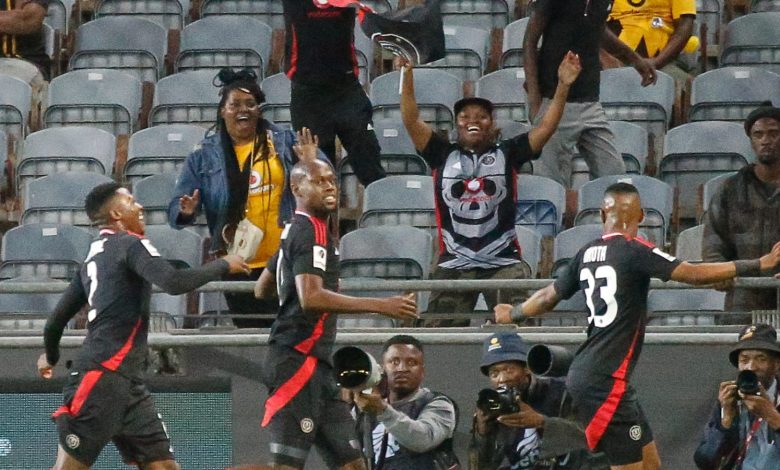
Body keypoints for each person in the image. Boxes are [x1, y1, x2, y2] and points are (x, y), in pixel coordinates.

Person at [494, 182, 780, 469]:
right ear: (641, 216)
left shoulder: (585, 253)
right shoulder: (635, 250)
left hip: (602, 377)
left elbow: (546, 297)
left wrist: (512, 313)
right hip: (605, 382)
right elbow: (692, 273)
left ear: (602, 214)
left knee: (649, 463)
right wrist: (759, 263)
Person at [36, 182, 248, 470]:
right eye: (131, 201)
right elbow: (173, 282)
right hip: (102, 377)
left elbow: (54, 323)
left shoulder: (91, 258)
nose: (140, 207)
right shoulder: (130, 244)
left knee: (165, 467)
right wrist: (223, 265)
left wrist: (50, 356)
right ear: (116, 214)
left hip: (127, 384)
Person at [250, 159, 418, 470]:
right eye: (319, 181)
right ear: (296, 189)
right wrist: (381, 305)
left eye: (332, 180)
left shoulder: (296, 229)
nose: (329, 186)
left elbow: (262, 289)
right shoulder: (308, 231)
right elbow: (311, 298)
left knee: (354, 465)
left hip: (319, 367)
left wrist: (311, 163)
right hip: (295, 363)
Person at [400, 52, 581, 327]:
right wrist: (407, 76)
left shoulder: (508, 153)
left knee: (519, 328)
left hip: (503, 261)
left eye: (482, 116)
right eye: (465, 116)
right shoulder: (440, 152)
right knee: (439, 338)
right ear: (456, 124)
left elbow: (546, 127)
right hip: (453, 264)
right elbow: (411, 120)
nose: (473, 120)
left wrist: (563, 85)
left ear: (492, 124)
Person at [168, 68, 327, 328]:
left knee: (294, 335)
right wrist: (187, 211)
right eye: (235, 105)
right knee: (253, 340)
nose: (244, 110)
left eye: (251, 104)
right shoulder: (202, 156)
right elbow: (175, 213)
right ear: (223, 111)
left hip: (286, 259)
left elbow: (326, 187)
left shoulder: (286, 142)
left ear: (259, 109)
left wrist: (310, 164)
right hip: (237, 266)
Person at [523, 0, 657, 188]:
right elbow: (529, 42)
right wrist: (535, 100)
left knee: (613, 174)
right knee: (552, 184)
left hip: (590, 100)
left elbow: (598, 29)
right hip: (554, 100)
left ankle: (600, 216)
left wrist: (635, 60)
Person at [282, 0, 386, 186]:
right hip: (308, 96)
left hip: (346, 90)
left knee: (371, 167)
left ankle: (382, 208)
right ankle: (318, 216)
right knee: (316, 179)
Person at [470, 332, 598, 470]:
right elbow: (480, 467)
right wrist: (482, 435)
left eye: (509, 370)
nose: (502, 379)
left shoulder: (561, 392)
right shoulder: (493, 405)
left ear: (526, 368)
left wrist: (542, 422)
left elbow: (592, 436)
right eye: (494, 374)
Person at [703, 101, 780, 318]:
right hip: (743, 298)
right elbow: (713, 242)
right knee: (741, 352)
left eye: (773, 133)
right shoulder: (730, 189)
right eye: (759, 134)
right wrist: (719, 271)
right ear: (751, 141)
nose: (766, 140)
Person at [353, 334, 459, 469]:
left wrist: (383, 410)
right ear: (382, 369)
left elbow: (422, 439)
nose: (402, 368)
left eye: (412, 362)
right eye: (394, 362)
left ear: (422, 371)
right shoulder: (367, 408)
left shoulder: (438, 404)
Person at [694, 323, 780, 469]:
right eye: (744, 360)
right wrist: (725, 421)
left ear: (777, 364)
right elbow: (705, 461)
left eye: (761, 359)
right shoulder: (732, 397)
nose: (751, 367)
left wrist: (772, 417)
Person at [606, 0, 696, 86]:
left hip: (664, 63)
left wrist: (656, 62)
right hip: (615, 60)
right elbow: (594, 24)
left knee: (686, 89)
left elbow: (685, 28)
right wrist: (606, 58)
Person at [0, 0, 51, 131]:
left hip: (24, 62)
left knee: (6, 84)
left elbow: (29, 20)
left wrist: (14, 19)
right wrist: (10, 18)